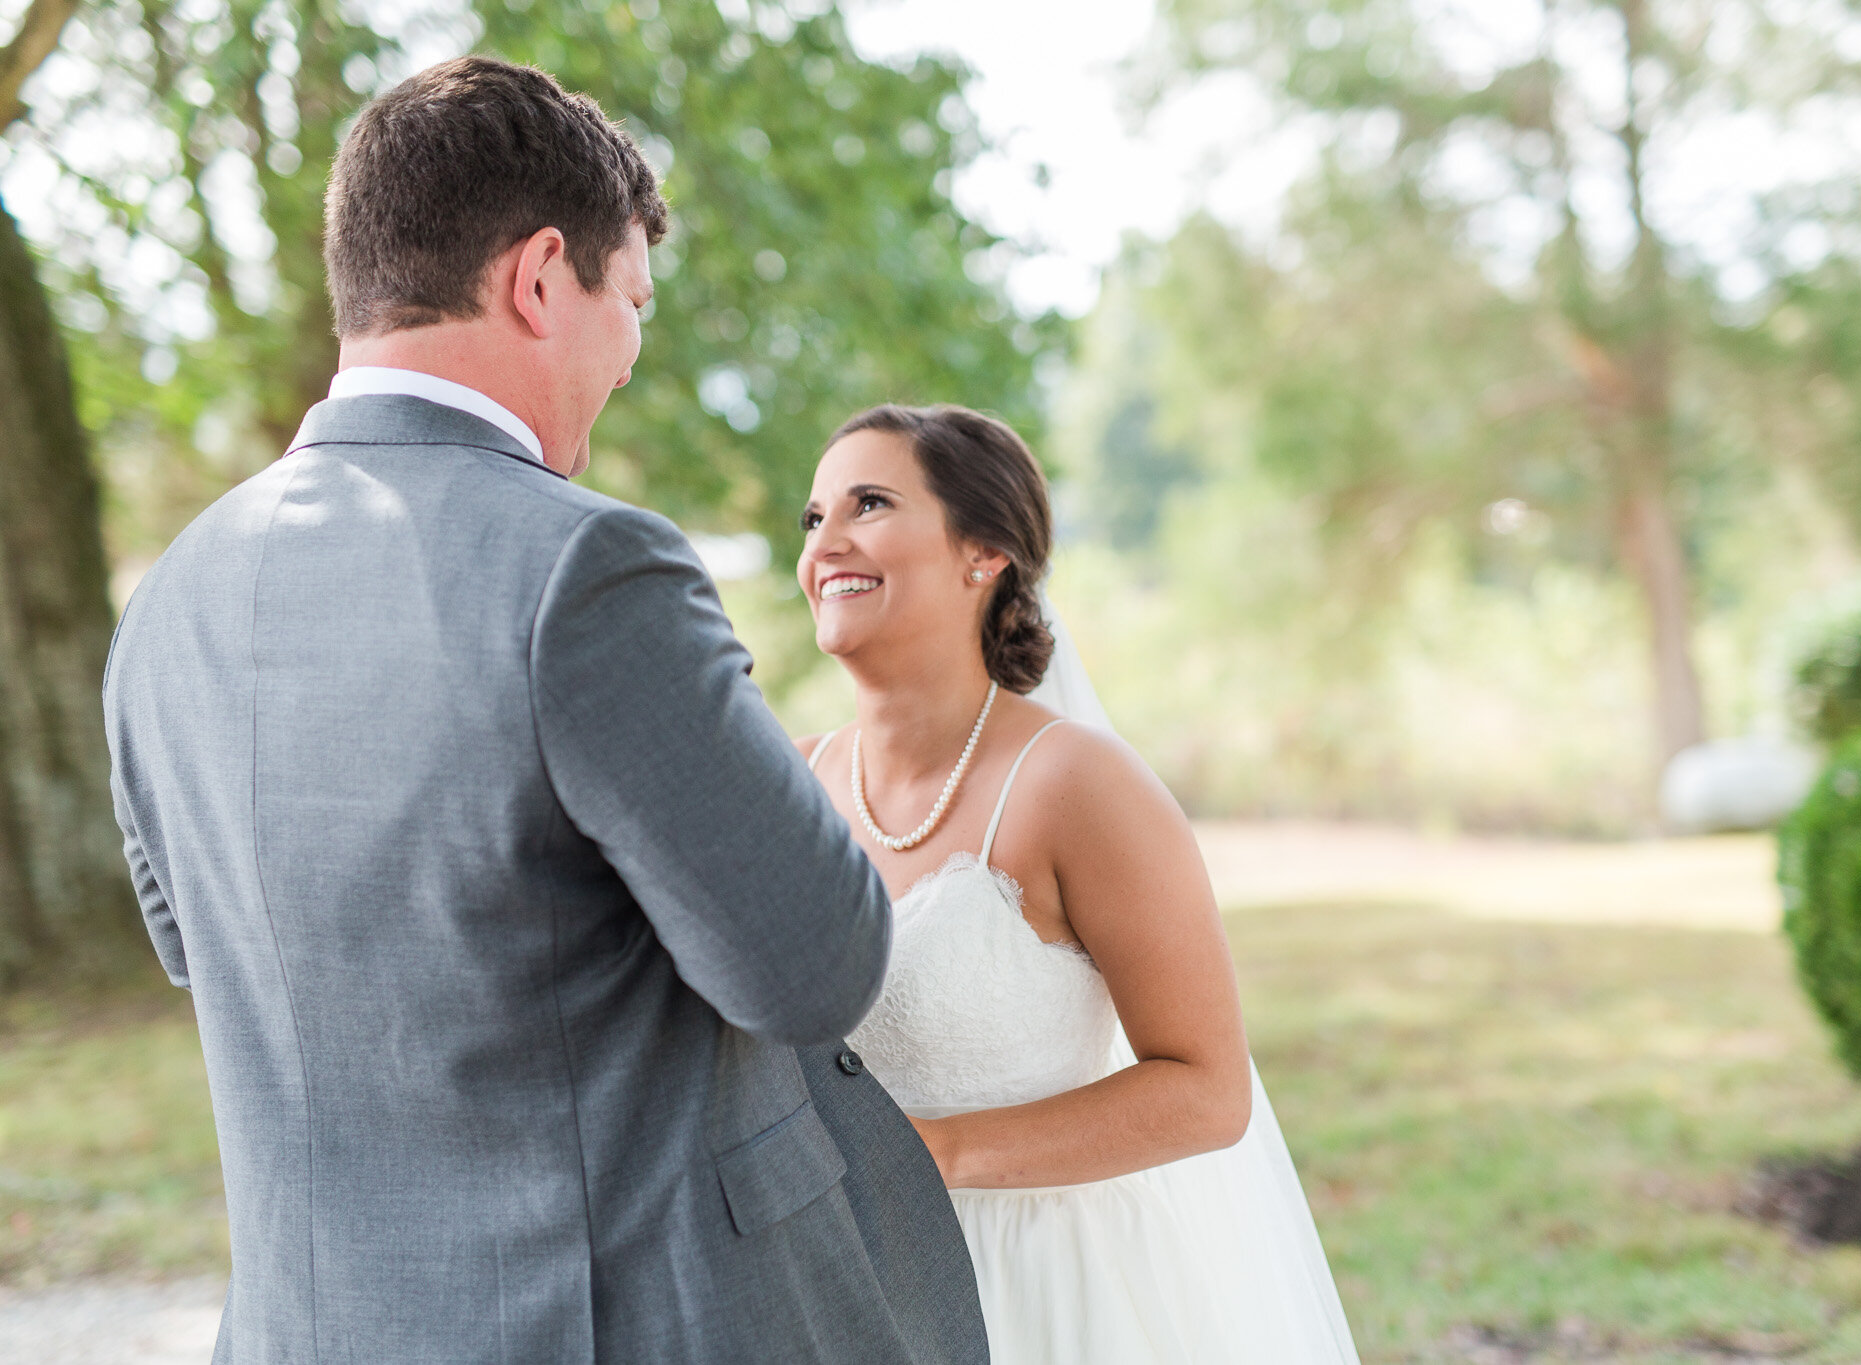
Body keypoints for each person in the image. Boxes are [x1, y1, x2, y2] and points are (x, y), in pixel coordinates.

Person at [101, 57, 983, 1363]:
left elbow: (221, 953)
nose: (630, 355)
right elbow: (811, 965)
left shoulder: (171, 598)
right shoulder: (590, 566)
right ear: (538, 278)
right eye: (629, 301)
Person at [796, 402, 1361, 1362]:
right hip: (833, 1284)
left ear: (984, 553)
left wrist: (937, 1154)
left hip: (1035, 1289)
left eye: (871, 503)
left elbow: (1207, 1090)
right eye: (813, 518)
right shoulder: (790, 778)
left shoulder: (1077, 785)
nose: (827, 541)